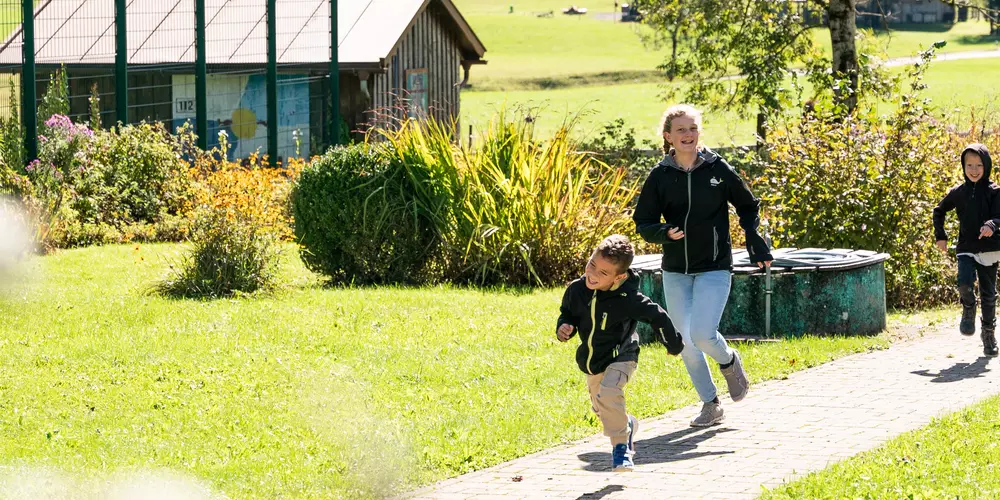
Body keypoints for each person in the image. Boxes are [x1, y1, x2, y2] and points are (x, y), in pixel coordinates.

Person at [633, 104, 772, 427]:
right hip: (676, 269)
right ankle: (711, 404)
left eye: (693, 128)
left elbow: (748, 206)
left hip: (714, 265)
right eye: (681, 130)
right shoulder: (660, 176)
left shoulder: (717, 168)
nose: (688, 135)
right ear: (668, 136)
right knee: (685, 342)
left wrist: (753, 238)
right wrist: (664, 232)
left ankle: (729, 361)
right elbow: (643, 221)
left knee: (703, 334)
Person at [557, 234, 683, 472]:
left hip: (623, 356)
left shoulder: (629, 298)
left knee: (609, 392)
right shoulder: (576, 289)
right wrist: (564, 327)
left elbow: (658, 316)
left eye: (603, 273)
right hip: (593, 362)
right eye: (592, 265)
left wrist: (673, 345)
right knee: (603, 408)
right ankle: (627, 425)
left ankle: (621, 449)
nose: (593, 274)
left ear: (619, 277)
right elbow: (568, 314)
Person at [933, 143, 1000, 357]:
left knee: (988, 296)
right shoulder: (958, 192)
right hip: (966, 247)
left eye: (979, 165)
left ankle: (988, 334)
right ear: (963, 166)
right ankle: (968, 307)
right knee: (964, 282)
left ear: (986, 166)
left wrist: (992, 225)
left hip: (990, 249)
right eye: (969, 165)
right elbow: (939, 210)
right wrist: (940, 236)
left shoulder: (994, 191)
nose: (973, 170)